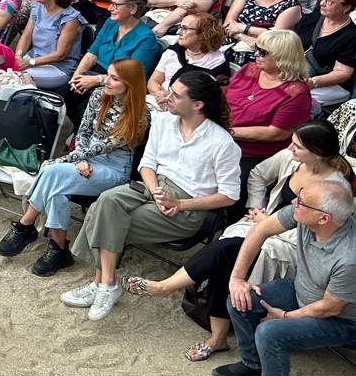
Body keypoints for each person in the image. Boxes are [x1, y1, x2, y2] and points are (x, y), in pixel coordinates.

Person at [126, 120, 356, 366]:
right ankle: (214, 334)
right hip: (261, 226)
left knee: (227, 251)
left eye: (297, 147)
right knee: (228, 254)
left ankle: (169, 290)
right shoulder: (291, 160)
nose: (290, 149)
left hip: (291, 246)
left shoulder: (336, 187)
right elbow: (258, 174)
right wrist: (256, 207)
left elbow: (320, 230)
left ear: (318, 153)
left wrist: (267, 222)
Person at [65, 70, 241, 321]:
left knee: (99, 213)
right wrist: (156, 190)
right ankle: (107, 284)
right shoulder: (163, 121)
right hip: (152, 186)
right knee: (107, 203)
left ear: (197, 105)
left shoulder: (222, 143)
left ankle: (101, 284)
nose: (166, 97)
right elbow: (147, 163)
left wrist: (179, 203)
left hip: (188, 206)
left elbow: (229, 196)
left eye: (176, 95)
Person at [213, 177, 356, 376]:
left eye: (301, 202)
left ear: (324, 218)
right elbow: (260, 230)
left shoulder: (353, 256)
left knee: (270, 333)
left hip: (351, 323)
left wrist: (284, 316)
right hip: (305, 291)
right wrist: (237, 278)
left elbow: (329, 308)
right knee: (239, 298)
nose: (293, 202)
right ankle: (253, 363)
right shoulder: (305, 212)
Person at [0, 57, 147, 277]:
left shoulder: (140, 114)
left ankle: (25, 224)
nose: (106, 81)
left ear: (130, 84)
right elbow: (83, 131)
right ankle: (58, 249)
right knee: (57, 188)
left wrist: (64, 160)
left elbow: (106, 147)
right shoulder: (98, 95)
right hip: (86, 155)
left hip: (114, 169)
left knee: (51, 170)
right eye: (108, 74)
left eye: (114, 78)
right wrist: (78, 158)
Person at [225, 29, 314, 182]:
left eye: (263, 52)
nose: (256, 55)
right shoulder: (250, 69)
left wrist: (228, 131)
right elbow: (224, 95)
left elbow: (276, 133)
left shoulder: (296, 92)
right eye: (256, 49)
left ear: (282, 57)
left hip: (252, 153)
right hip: (223, 137)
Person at [295, 0, 356, 112]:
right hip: (299, 72)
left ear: (346, 8)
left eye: (330, 1)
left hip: (328, 83)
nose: (322, 3)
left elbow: (342, 73)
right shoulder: (314, 17)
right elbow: (292, 41)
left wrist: (313, 82)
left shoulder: (351, 37)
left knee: (291, 99)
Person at [15, 0, 86, 90]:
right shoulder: (37, 6)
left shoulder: (70, 19)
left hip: (57, 68)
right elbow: (26, 36)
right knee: (1, 66)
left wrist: (30, 63)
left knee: (15, 76)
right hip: (33, 59)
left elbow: (60, 54)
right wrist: (19, 56)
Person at [224, 0, 304, 63]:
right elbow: (228, 24)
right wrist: (242, 36)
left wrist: (244, 28)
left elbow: (275, 34)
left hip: (265, 51)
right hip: (234, 39)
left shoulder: (291, 5)